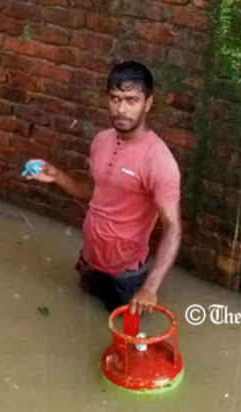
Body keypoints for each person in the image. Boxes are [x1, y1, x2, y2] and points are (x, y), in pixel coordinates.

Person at [25, 61, 182, 316]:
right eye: (115, 98)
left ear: (148, 104)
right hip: (90, 261)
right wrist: (58, 177)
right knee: (77, 318)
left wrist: (150, 288)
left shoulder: (158, 160)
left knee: (121, 338)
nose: (121, 109)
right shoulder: (101, 140)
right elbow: (96, 191)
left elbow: (173, 227)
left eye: (131, 100)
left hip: (125, 276)